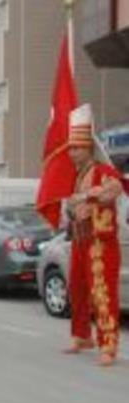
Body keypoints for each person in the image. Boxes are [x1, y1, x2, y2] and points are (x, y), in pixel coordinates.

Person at [63, 104, 125, 367]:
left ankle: (108, 345)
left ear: (89, 148)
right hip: (79, 240)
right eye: (71, 148)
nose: (72, 152)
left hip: (101, 243)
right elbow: (72, 206)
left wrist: (87, 197)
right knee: (76, 289)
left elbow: (116, 188)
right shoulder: (77, 176)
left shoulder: (102, 170)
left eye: (76, 148)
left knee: (103, 293)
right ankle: (81, 336)